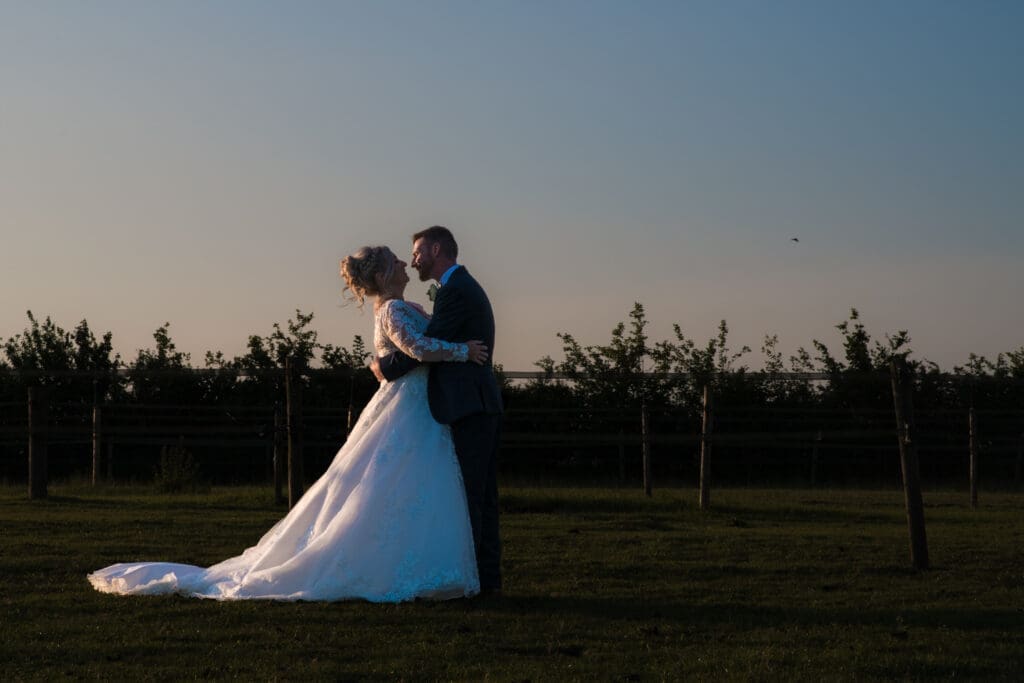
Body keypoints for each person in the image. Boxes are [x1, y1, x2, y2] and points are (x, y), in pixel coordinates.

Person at [88, 245, 489, 602]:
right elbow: (417, 348)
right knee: (392, 483)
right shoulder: (394, 309)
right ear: (384, 274)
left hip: (416, 405)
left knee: (406, 485)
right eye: (397, 261)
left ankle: (414, 564)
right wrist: (462, 351)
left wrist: (386, 364)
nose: (405, 263)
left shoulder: (402, 308)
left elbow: (411, 349)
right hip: (406, 406)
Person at [371, 226, 503, 594]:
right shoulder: (455, 288)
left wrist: (382, 367)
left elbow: (426, 345)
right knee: (477, 498)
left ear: (436, 248)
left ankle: (479, 583)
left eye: (416, 253)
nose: (413, 260)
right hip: (473, 404)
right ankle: (485, 582)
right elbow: (431, 341)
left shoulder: (456, 291)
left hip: (469, 406)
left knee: (472, 499)